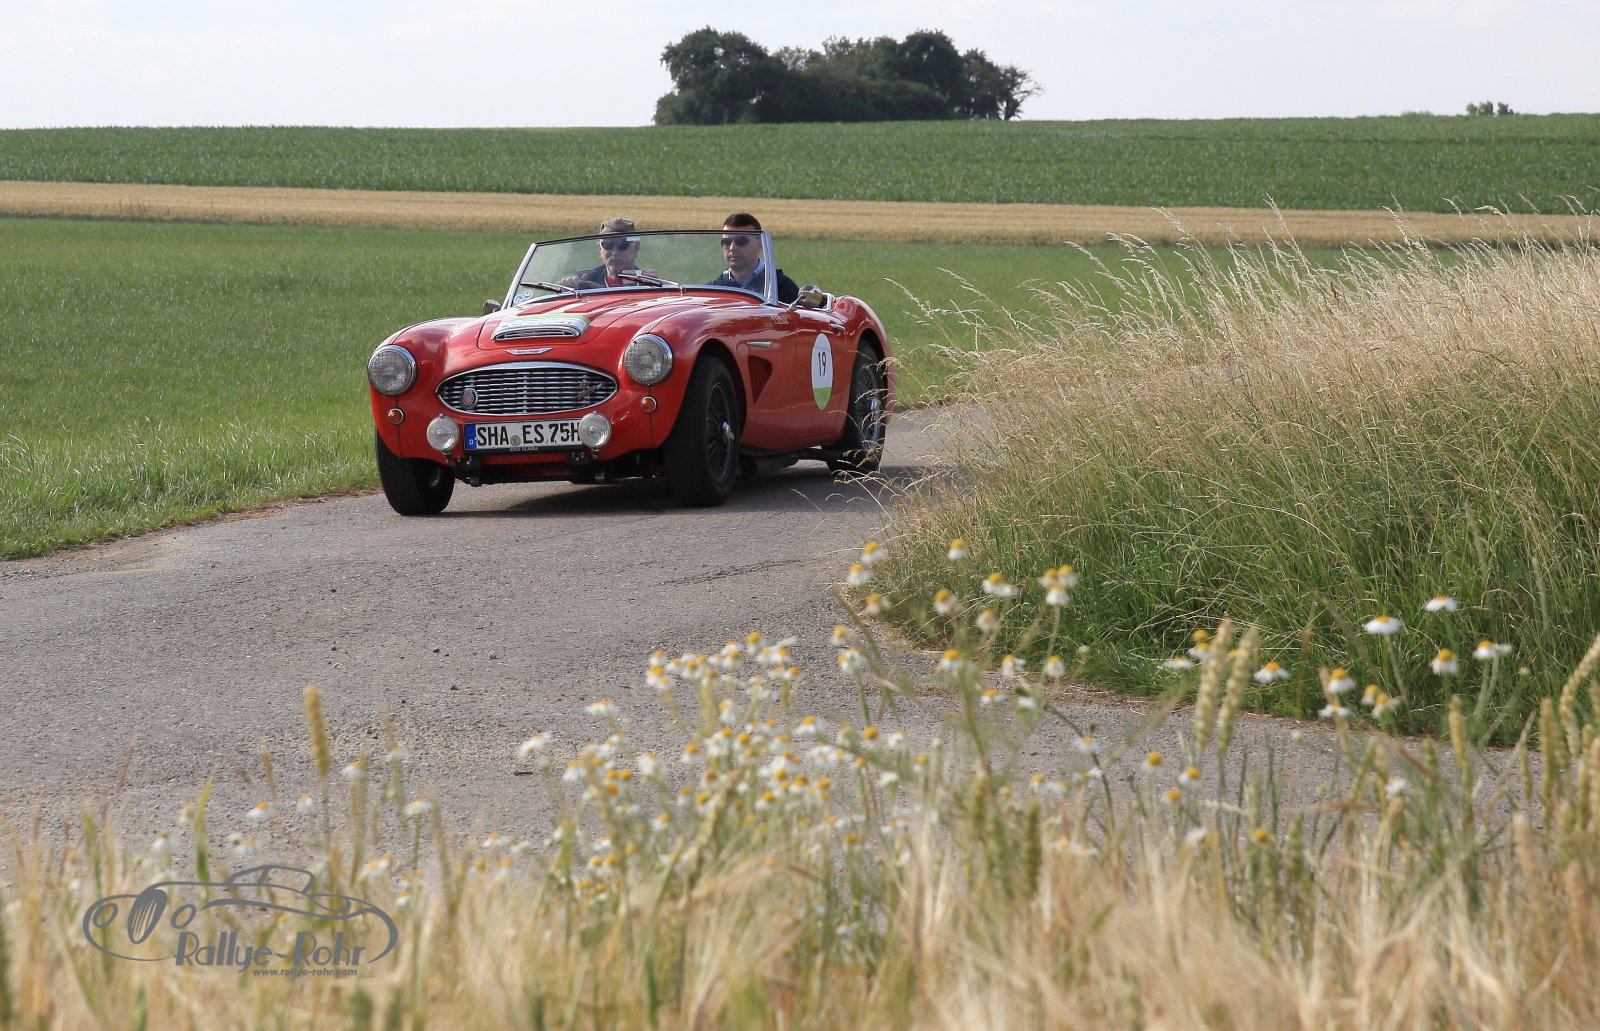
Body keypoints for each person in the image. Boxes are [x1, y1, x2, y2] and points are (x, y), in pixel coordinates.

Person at [708, 213, 799, 304]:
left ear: (760, 244)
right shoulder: (713, 289)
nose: (732, 248)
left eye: (741, 241)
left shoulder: (782, 287)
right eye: (726, 242)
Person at [560, 216, 644, 289]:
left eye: (623, 245)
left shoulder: (649, 284)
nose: (614, 253)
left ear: (636, 247)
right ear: (600, 249)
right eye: (608, 245)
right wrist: (566, 289)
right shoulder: (582, 281)